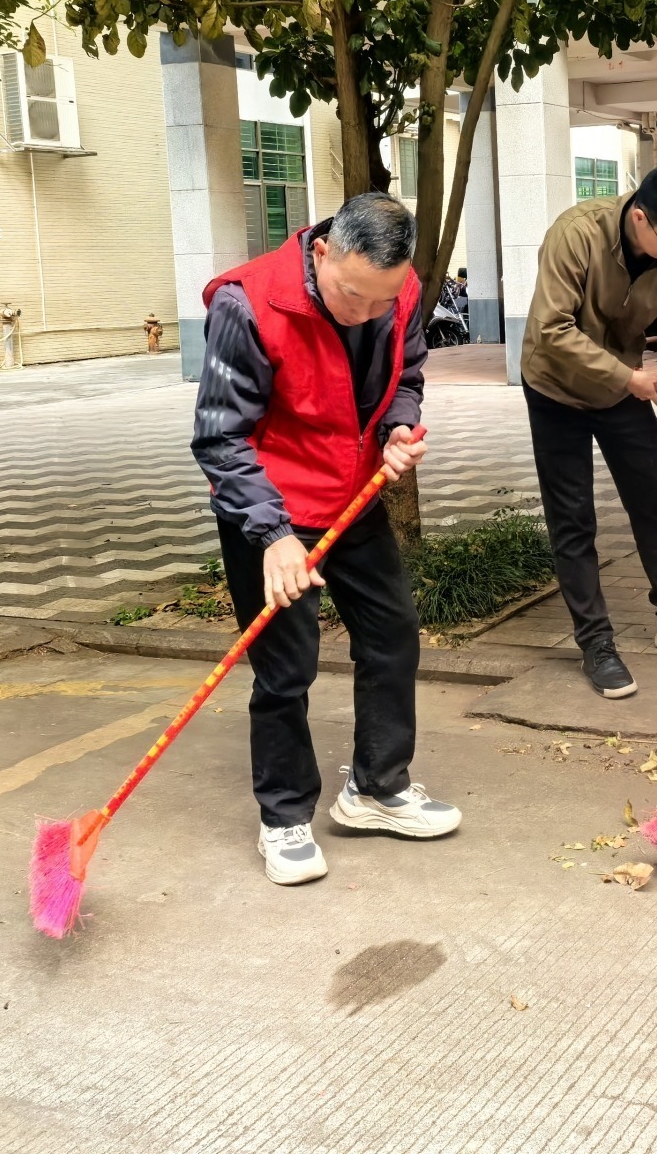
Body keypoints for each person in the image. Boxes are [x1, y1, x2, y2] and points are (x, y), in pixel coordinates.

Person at [192, 193, 461, 887]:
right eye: (351, 295)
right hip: (271, 506)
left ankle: (376, 786)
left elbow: (406, 375)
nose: (365, 313)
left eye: (381, 301)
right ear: (321, 253)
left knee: (393, 633)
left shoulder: (397, 294)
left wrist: (397, 427)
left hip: (352, 495)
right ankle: (283, 815)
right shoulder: (248, 305)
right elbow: (220, 438)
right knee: (286, 668)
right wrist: (272, 534)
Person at [521, 163, 657, 699]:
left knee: (654, 503)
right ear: (640, 217)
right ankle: (596, 641)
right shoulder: (576, 234)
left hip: (623, 390)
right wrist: (625, 376)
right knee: (573, 519)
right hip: (555, 387)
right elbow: (550, 327)